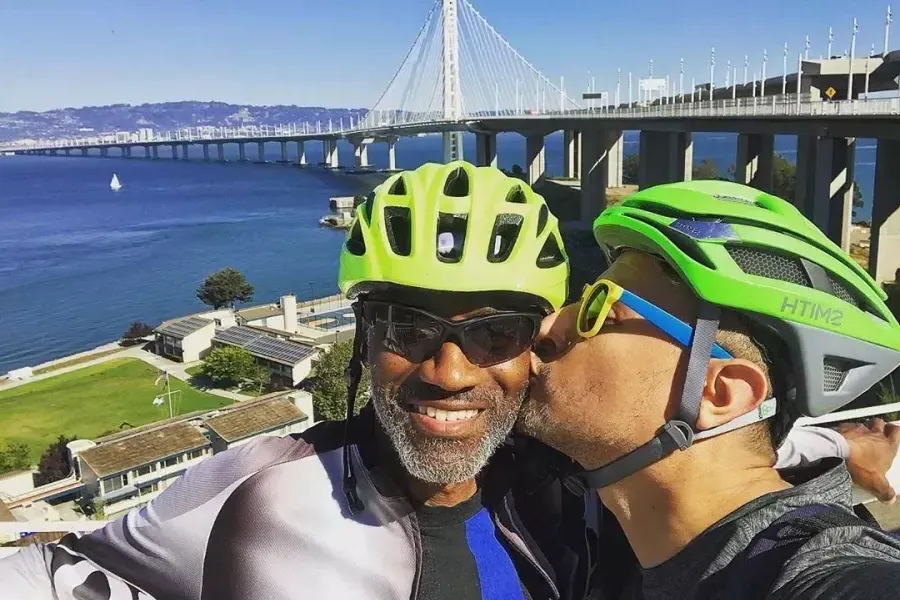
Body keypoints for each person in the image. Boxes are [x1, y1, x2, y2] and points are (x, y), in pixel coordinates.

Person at [0, 164, 894, 600]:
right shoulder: (260, 493)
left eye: (508, 328)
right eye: (407, 329)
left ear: (723, 393)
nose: (449, 368)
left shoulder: (794, 566)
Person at [519, 179, 900, 599]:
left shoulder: (812, 575)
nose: (547, 327)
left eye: (601, 310)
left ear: (718, 393)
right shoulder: (628, 550)